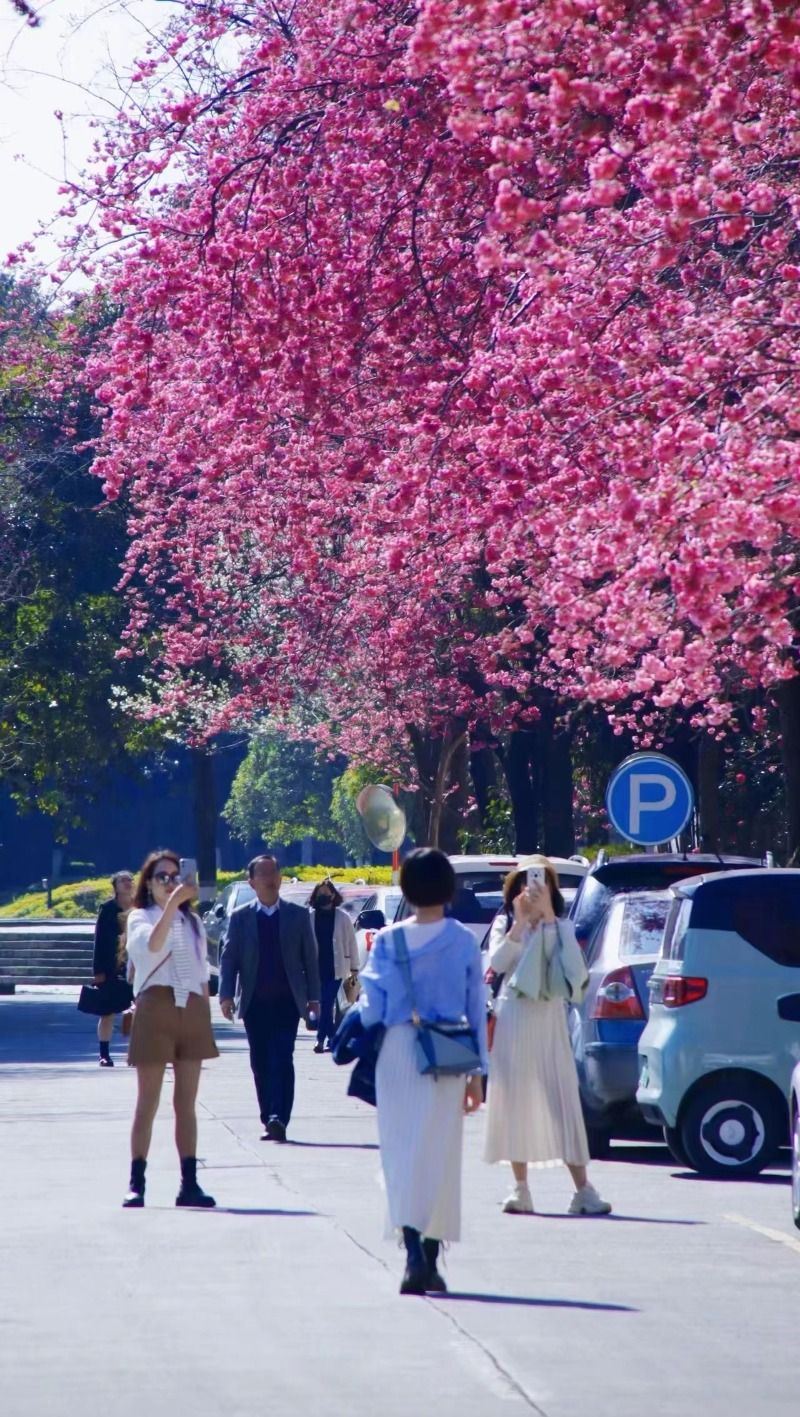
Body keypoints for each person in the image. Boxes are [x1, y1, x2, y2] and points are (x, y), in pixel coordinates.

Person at [359, 848, 487, 1296]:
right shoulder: (464, 940)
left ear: (407, 889)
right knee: (440, 1155)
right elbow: (476, 1010)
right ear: (449, 887)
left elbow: (371, 1009)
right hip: (448, 1052)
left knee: (400, 1153)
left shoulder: (388, 941)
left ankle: (412, 1254)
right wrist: (478, 1073)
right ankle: (431, 1259)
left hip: (397, 1051)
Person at [484, 855, 612, 1216]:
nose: (533, 887)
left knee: (562, 1101)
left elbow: (576, 973)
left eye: (540, 880)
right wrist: (519, 924)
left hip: (549, 1019)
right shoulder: (506, 922)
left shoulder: (563, 927)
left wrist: (551, 922)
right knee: (514, 1102)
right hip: (514, 1016)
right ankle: (520, 1187)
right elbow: (496, 964)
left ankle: (583, 1190)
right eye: (526, 880)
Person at [121, 850, 218, 1210]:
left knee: (186, 1103)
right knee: (148, 1101)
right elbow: (151, 947)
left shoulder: (192, 923)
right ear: (148, 882)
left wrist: (205, 1015)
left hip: (189, 1006)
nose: (170, 883)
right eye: (162, 877)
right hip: (156, 1005)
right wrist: (171, 906)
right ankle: (137, 1182)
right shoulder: (139, 917)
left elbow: (202, 971)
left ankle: (189, 1182)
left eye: (175, 876)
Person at [219, 854, 320, 1142]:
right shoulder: (240, 918)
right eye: (263, 874)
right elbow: (229, 959)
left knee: (283, 1057)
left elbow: (310, 960)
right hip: (255, 1003)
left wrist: (314, 999)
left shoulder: (298, 915)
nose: (271, 878)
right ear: (252, 882)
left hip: (287, 1002)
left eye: (274, 872)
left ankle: (280, 1117)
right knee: (260, 1061)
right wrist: (226, 995)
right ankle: (267, 1116)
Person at [308, 879, 360, 1053]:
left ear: (333, 896)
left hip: (338, 968)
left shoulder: (343, 917)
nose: (324, 896)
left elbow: (352, 943)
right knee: (323, 1003)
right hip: (316, 969)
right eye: (320, 893)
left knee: (327, 1002)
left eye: (327, 894)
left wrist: (354, 967)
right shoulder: (310, 917)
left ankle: (320, 1039)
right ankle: (331, 1038)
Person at [92, 870, 135, 1066]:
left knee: (140, 1012)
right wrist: (98, 971)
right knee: (107, 1012)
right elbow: (99, 940)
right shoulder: (108, 909)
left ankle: (136, 1052)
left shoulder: (140, 908)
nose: (128, 883)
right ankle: (104, 1054)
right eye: (123, 881)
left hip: (137, 966)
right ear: (115, 886)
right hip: (111, 967)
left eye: (130, 880)